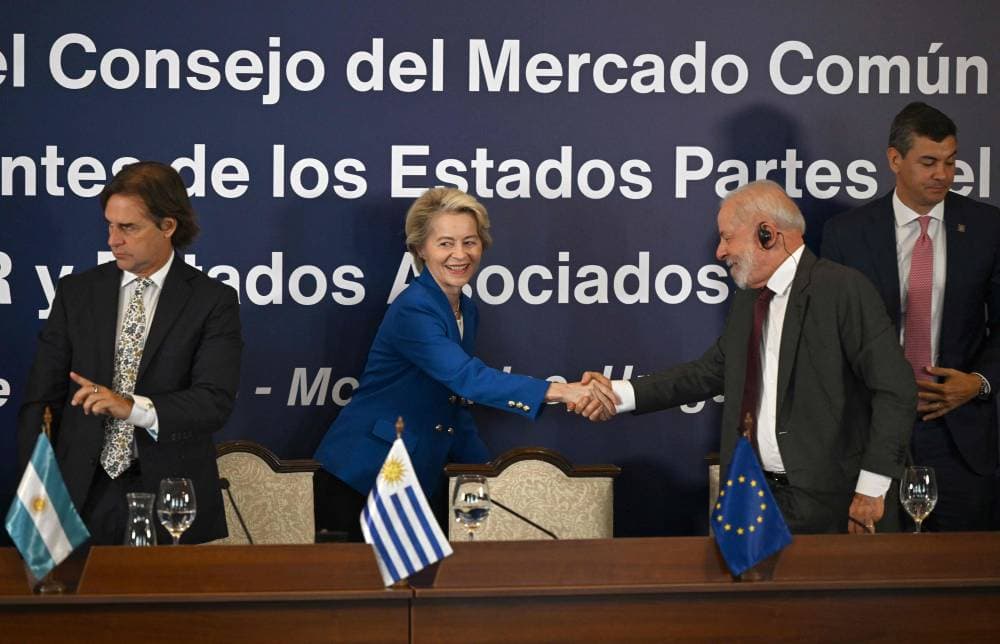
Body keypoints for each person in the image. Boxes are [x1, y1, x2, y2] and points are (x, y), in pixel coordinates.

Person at [574, 180, 916, 534]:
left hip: (836, 505)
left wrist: (872, 490)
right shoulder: (749, 300)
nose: (720, 252)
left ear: (767, 233)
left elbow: (896, 389)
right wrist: (616, 394)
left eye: (726, 237)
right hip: (756, 499)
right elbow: (708, 372)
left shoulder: (842, 289)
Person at [313, 187, 615, 540]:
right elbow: (466, 379)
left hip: (412, 474)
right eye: (445, 243)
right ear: (420, 249)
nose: (460, 254)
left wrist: (486, 474)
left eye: (470, 242)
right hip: (363, 474)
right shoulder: (415, 308)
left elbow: (452, 404)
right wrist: (563, 391)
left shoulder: (465, 309)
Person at [16, 161, 243, 545]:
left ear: (168, 226)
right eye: (109, 225)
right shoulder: (77, 293)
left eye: (128, 228)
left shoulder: (213, 301)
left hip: (169, 496)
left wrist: (130, 407)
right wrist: (35, 492)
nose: (112, 240)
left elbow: (213, 402)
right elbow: (41, 401)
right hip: (78, 494)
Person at [822, 102, 1000, 531]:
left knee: (962, 583)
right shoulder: (846, 234)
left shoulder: (988, 228)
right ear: (895, 160)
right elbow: (830, 337)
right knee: (880, 580)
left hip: (959, 434)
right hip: (873, 434)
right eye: (929, 162)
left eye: (950, 162)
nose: (943, 173)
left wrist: (978, 383)